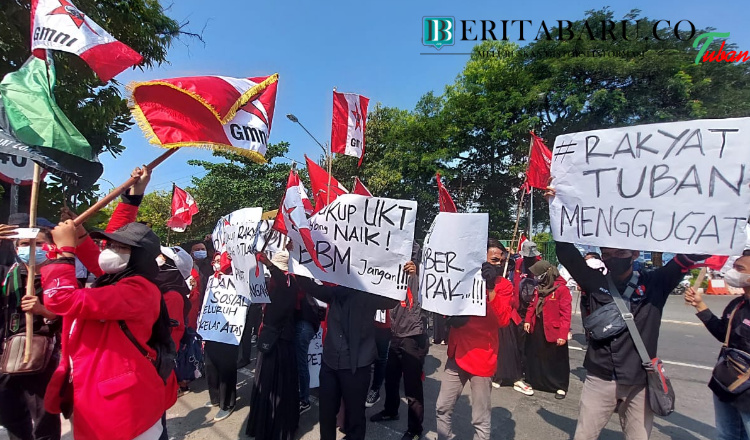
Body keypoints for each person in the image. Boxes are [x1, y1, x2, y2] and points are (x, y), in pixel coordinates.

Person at [547, 170, 706, 440]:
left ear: (633, 253)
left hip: (639, 382)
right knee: (584, 436)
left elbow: (688, 255)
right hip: (598, 378)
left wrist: (731, 207)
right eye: (606, 254)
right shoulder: (593, 279)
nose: (612, 258)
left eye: (619, 253)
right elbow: (565, 251)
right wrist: (555, 206)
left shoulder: (657, 282)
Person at [296, 276, 400, 440]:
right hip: (330, 364)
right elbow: (308, 285)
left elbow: (392, 299)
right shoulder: (334, 293)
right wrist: (295, 257)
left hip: (358, 366)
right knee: (326, 415)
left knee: (355, 418)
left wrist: (406, 274)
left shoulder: (369, 295)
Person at [435, 240, 516, 440]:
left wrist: (490, 288)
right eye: (493, 259)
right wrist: (449, 318)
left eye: (499, 260)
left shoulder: (504, 286)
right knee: (442, 407)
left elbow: (504, 320)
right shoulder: (462, 279)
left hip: (483, 357)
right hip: (457, 354)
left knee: (480, 418)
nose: (497, 264)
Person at [0, 219, 62, 440]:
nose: (30, 249)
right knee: (10, 414)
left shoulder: (59, 277)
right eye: (25, 243)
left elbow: (71, 316)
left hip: (43, 357)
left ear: (49, 246)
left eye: (37, 243)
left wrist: (43, 310)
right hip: (7, 356)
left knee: (45, 415)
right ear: (16, 248)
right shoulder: (7, 275)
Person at [685, 251, 750, 440]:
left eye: (740, 269)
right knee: (726, 435)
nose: (732, 272)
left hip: (748, 393)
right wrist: (700, 306)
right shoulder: (736, 304)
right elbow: (723, 333)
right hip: (726, 381)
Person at [370, 244, 429, 440]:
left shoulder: (422, 272)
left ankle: (415, 429)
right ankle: (390, 410)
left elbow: (433, 284)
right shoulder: (391, 269)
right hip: (394, 331)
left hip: (413, 335)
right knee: (391, 377)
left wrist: (418, 270)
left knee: (412, 386)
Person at [245, 251, 299, 440]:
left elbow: (284, 286)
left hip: (281, 341)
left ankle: (276, 427)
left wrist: (268, 263)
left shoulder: (290, 283)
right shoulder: (275, 284)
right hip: (269, 338)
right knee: (265, 384)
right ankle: (264, 424)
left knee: (277, 386)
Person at [522, 260, 572, 399]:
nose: (536, 277)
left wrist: (563, 334)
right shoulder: (540, 287)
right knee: (536, 355)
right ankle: (536, 381)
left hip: (554, 329)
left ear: (546, 274)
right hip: (537, 326)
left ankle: (560, 386)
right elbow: (532, 305)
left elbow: (565, 314)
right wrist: (527, 320)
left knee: (557, 358)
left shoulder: (561, 289)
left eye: (538, 274)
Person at [203, 252, 239, 421]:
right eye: (215, 261)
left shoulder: (237, 280)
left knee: (226, 369)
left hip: (229, 334)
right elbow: (206, 302)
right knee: (210, 365)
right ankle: (215, 397)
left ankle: (228, 403)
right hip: (211, 330)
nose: (216, 264)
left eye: (220, 261)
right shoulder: (212, 280)